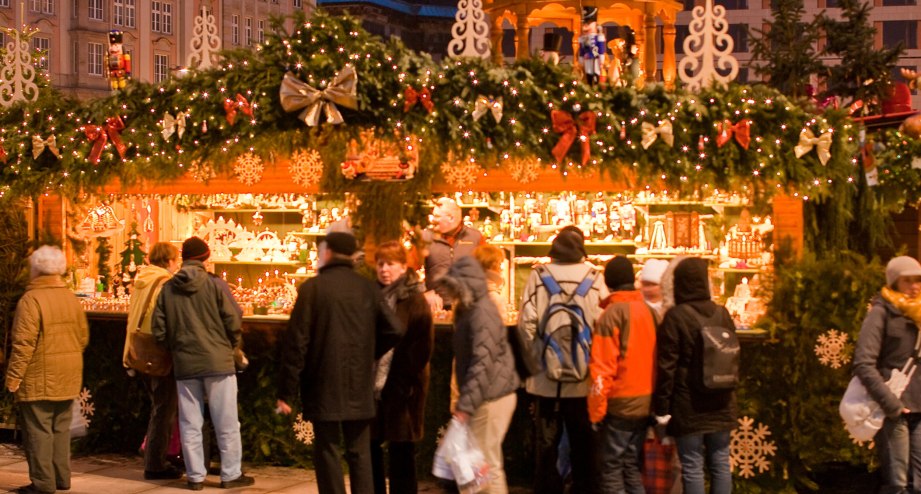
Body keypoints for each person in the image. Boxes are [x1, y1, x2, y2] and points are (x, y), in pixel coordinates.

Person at [277, 232, 404, 494]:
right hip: (359, 382)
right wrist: (369, 352)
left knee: (327, 451)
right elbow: (395, 329)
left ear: (328, 253)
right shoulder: (367, 288)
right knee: (360, 452)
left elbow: (296, 342)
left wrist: (286, 392)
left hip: (322, 382)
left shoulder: (312, 289)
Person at [151, 236, 253, 491]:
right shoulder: (216, 285)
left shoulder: (168, 288)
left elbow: (158, 329)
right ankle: (230, 473)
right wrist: (231, 345)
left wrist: (175, 348)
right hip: (218, 362)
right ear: (206, 258)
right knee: (226, 420)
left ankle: (195, 476)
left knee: (189, 422)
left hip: (185, 363)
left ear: (184, 258)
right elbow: (234, 318)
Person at [517, 225, 608, 494]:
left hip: (545, 381)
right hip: (583, 380)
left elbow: (526, 325)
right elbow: (603, 326)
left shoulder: (538, 275)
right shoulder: (595, 278)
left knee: (546, 444)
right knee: (584, 443)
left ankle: (547, 488)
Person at [5, 246, 89, 494]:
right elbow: (82, 337)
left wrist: (13, 379)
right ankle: (61, 478)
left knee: (38, 431)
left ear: (35, 269)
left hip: (39, 375)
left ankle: (42, 483)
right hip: (69, 373)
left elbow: (23, 344)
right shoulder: (71, 297)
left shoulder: (31, 300)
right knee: (61, 429)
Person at [653, 257, 737, 494]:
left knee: (692, 466)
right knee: (721, 463)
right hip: (722, 401)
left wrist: (661, 410)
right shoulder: (722, 313)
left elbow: (666, 367)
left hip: (688, 404)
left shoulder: (676, 317)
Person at [438, 256, 520, 494]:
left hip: (488, 396)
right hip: (491, 394)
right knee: (484, 465)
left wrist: (464, 404)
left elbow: (481, 361)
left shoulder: (478, 311)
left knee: (482, 467)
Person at [589, 256, 659, 493]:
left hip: (620, 402)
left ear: (608, 282)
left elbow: (602, 368)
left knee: (611, 467)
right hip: (646, 400)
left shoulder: (611, 315)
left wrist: (596, 412)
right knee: (631, 464)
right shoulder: (649, 312)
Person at [370, 241, 434, 494]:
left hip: (403, 386)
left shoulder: (415, 300)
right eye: (380, 264)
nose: (385, 270)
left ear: (403, 267)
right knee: (370, 445)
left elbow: (422, 347)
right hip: (373, 385)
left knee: (401, 449)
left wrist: (403, 382)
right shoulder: (372, 297)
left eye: (391, 264)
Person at [854, 256, 921, 494]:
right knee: (898, 484)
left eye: (918, 280)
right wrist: (891, 405)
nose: (914, 286)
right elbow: (863, 363)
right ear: (894, 283)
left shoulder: (919, 314)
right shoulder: (881, 312)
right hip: (894, 410)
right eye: (907, 281)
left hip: (919, 408)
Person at [122, 242, 183, 480]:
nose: (176, 265)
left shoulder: (142, 280)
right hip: (157, 354)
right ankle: (155, 463)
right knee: (164, 409)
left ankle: (157, 455)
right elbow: (165, 320)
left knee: (159, 407)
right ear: (169, 261)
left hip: (138, 352)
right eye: (175, 261)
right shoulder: (165, 283)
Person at [422, 197, 484, 311]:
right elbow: (407, 271)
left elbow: (489, 269)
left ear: (451, 218)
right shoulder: (424, 238)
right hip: (436, 309)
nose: (431, 219)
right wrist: (423, 293)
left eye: (437, 216)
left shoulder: (476, 237)